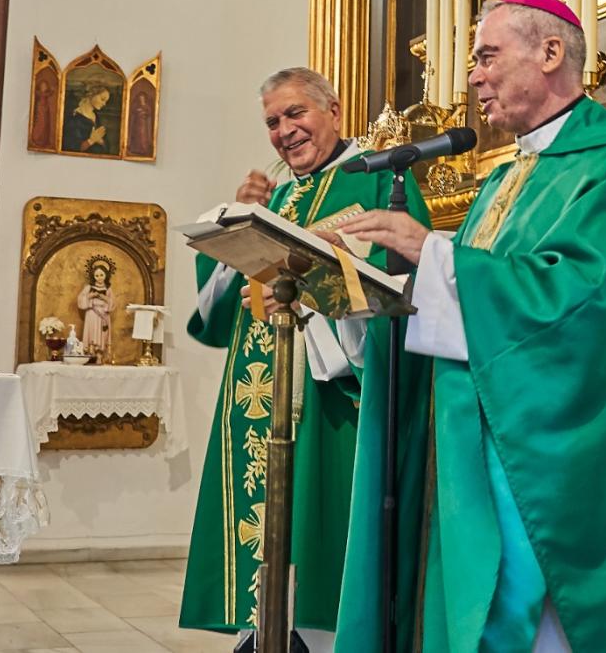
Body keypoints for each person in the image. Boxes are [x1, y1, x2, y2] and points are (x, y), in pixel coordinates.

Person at [341, 0, 606, 652]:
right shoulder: (503, 181)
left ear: (551, 53)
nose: (473, 77)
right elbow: (462, 300)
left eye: (487, 55)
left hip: (545, 475)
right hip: (472, 462)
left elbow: (581, 309)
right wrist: (370, 292)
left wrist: (434, 254)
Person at [181, 67, 430, 653]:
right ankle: (262, 629)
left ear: (333, 109)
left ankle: (320, 636)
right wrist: (234, 228)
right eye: (272, 121)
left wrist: (317, 302)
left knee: (322, 531)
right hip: (258, 393)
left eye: (296, 114)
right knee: (261, 538)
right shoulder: (281, 195)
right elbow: (220, 307)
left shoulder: (375, 181)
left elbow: (404, 294)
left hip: (332, 397)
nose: (284, 131)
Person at [76, 258, 114, 363]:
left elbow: (113, 302)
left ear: (106, 275)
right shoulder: (88, 287)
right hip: (92, 313)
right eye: (97, 275)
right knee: (92, 332)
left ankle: (99, 356)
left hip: (103, 314)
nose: (99, 278)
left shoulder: (108, 289)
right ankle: (90, 352)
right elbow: (80, 299)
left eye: (101, 275)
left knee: (102, 334)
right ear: (93, 276)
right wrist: (90, 296)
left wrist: (104, 298)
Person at [63, 86, 113, 154]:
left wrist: (101, 141)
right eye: (102, 99)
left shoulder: (95, 116)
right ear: (91, 95)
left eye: (106, 101)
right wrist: (91, 140)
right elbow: (71, 148)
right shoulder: (74, 118)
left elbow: (106, 145)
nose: (104, 104)